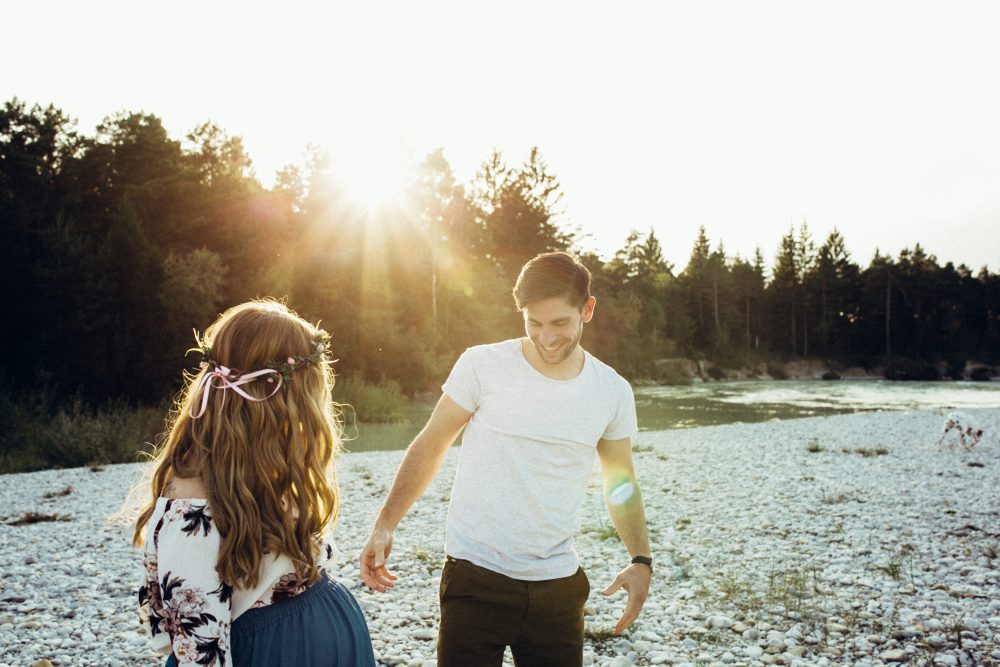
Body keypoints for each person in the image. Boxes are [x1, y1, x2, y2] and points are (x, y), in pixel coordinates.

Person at [360, 252, 652, 666]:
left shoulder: (612, 390)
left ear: (587, 310)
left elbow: (619, 480)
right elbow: (432, 443)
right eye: (534, 323)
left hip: (558, 588)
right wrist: (384, 524)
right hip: (474, 579)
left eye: (560, 323)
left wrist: (640, 559)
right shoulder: (483, 365)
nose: (547, 337)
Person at [131, 300, 376, 667]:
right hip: (279, 648)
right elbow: (200, 652)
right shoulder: (190, 511)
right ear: (278, 400)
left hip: (317, 632)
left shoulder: (268, 464)